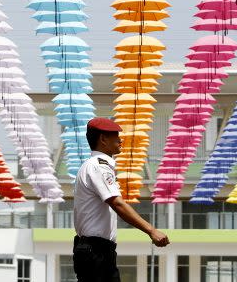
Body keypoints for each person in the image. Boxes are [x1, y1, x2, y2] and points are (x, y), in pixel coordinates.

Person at [72, 117, 170, 282]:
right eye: (115, 135)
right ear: (103, 139)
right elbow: (117, 203)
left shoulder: (95, 165)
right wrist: (151, 230)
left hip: (98, 250)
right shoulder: (98, 166)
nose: (120, 139)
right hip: (95, 250)